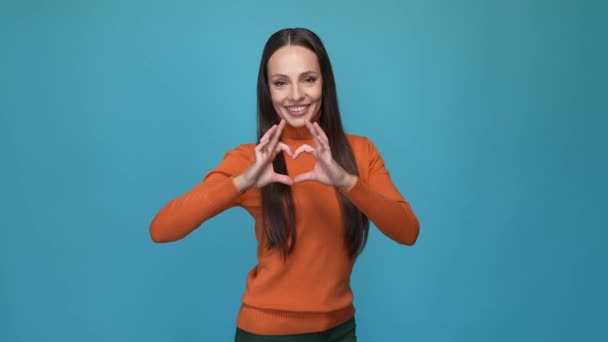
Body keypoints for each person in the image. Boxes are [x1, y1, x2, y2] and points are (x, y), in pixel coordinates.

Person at [149, 27, 420, 341]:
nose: (295, 95)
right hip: (267, 334)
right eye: (281, 83)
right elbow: (162, 229)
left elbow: (407, 231)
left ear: (325, 83)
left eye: (308, 79)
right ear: (268, 90)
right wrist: (243, 182)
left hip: (341, 330)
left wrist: (346, 181)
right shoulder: (250, 161)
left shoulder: (360, 152)